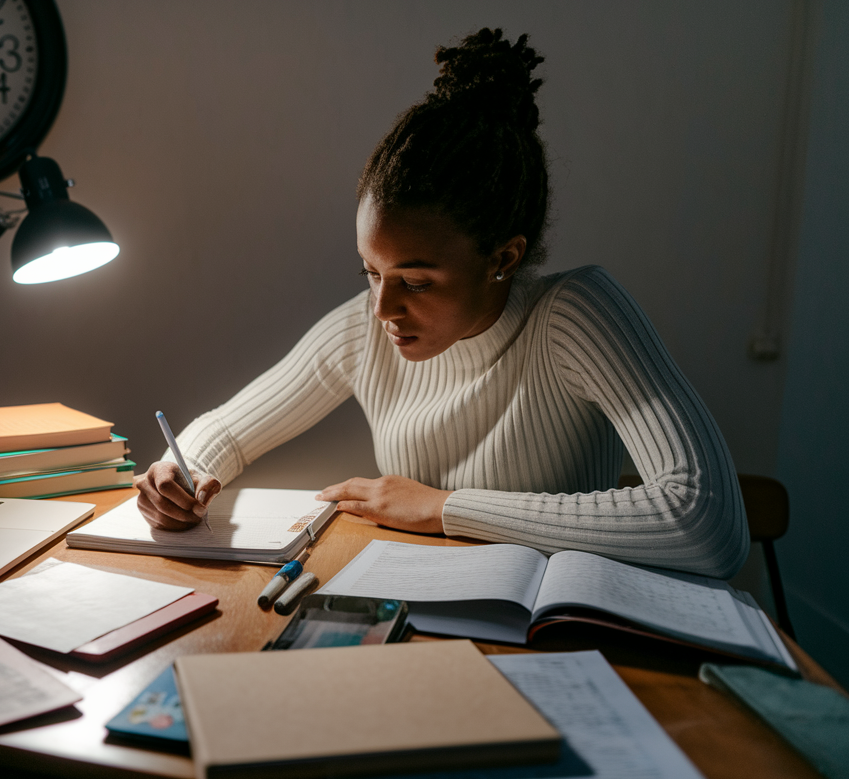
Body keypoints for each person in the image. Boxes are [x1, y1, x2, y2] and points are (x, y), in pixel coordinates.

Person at [135, 28, 748, 580]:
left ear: (503, 258)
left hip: (565, 626)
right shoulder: (367, 330)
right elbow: (230, 429)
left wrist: (443, 508)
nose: (382, 308)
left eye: (417, 282)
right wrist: (178, 473)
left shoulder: (574, 315)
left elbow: (706, 523)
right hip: (432, 606)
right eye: (370, 272)